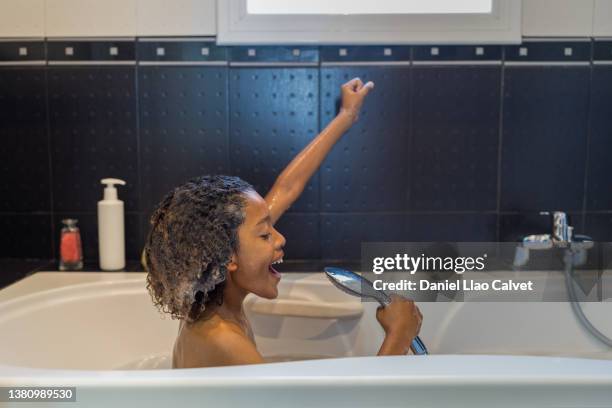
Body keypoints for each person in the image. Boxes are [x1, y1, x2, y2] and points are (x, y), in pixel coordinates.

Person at [144, 78, 423, 368]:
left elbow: (287, 188)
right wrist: (399, 337)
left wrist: (347, 116)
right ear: (227, 257)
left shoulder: (214, 288)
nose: (280, 239)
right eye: (265, 234)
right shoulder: (224, 340)